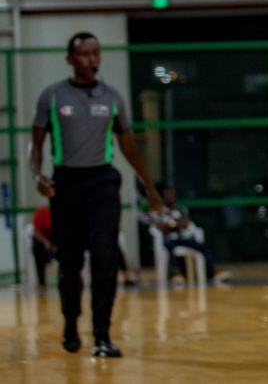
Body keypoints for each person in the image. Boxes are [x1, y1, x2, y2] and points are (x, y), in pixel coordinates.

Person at [29, 32, 163, 357]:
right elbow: (37, 144)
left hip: (102, 181)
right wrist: (36, 175)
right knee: (70, 263)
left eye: (96, 53)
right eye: (85, 54)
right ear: (70, 59)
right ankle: (70, 323)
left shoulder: (112, 97)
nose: (92, 59)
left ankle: (102, 334)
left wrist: (149, 186)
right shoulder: (53, 96)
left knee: (105, 257)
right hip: (66, 183)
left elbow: (127, 146)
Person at [156, 187, 232, 285]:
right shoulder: (160, 211)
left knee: (202, 246)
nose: (170, 197)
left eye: (172, 195)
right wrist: (175, 224)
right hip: (169, 239)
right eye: (168, 195)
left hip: (183, 238)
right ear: (163, 196)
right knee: (170, 248)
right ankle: (176, 274)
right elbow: (160, 226)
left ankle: (216, 270)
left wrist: (171, 225)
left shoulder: (181, 209)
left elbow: (185, 223)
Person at [31, 205, 55, 287]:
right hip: (42, 240)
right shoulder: (41, 213)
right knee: (38, 248)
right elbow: (36, 231)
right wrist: (45, 242)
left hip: (54, 238)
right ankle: (42, 280)